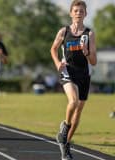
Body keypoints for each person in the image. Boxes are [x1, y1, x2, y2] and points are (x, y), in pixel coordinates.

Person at [50, 1, 97, 159]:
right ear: (71, 13)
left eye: (81, 11)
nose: (78, 13)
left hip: (84, 74)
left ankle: (65, 144)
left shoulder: (89, 34)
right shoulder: (64, 31)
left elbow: (94, 61)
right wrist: (58, 63)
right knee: (73, 101)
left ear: (85, 14)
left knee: (78, 112)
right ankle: (65, 127)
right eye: (75, 11)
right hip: (68, 71)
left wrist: (86, 51)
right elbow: (53, 49)